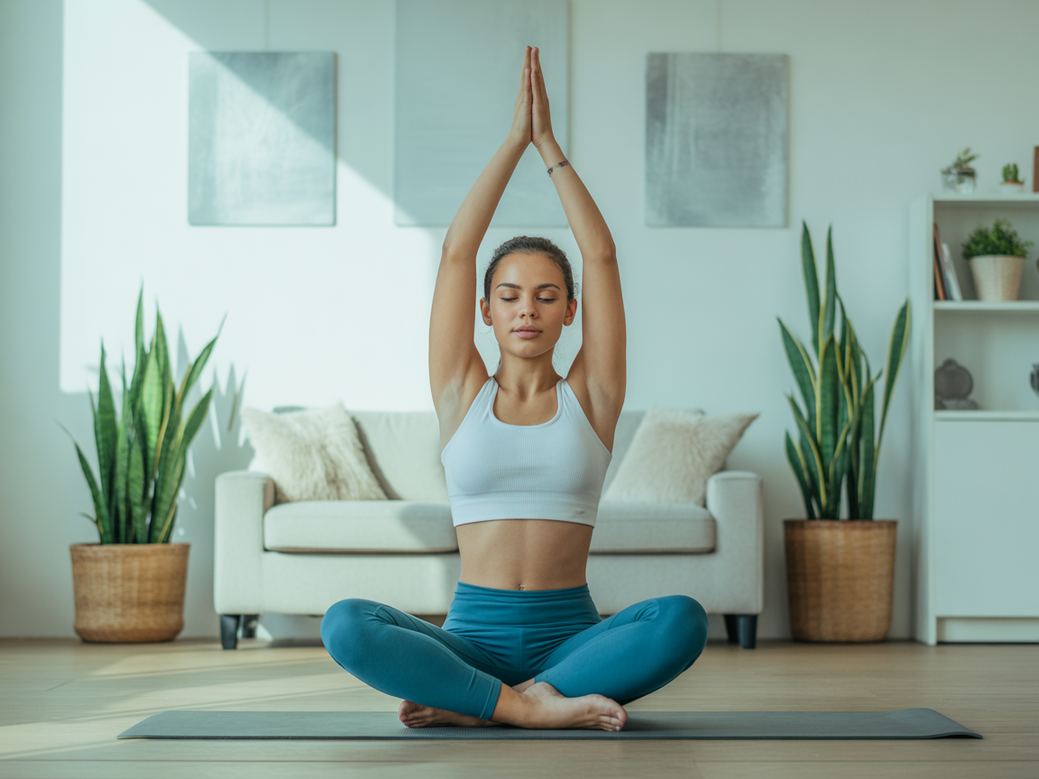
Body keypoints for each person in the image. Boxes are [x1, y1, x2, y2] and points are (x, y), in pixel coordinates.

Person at [321, 46, 708, 731]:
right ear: (486, 311)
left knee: (681, 620)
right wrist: (511, 144)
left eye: (545, 294)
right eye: (509, 295)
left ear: (569, 311)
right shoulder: (457, 391)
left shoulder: (594, 395)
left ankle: (492, 701)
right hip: (468, 638)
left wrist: (549, 148)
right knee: (346, 623)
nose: (526, 308)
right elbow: (455, 255)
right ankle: (527, 706)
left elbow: (602, 256)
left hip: (571, 642)